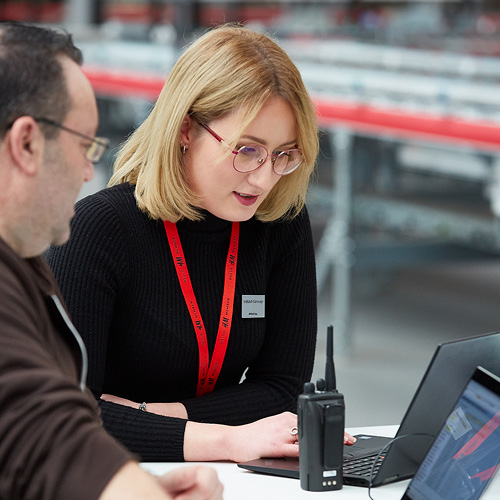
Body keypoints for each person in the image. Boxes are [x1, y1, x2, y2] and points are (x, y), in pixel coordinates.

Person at [47, 23, 355, 463]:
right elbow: (65, 420)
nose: (265, 177)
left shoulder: (279, 220)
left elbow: (285, 391)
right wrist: (229, 438)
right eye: (246, 150)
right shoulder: (98, 230)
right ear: (186, 130)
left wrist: (149, 415)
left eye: (285, 153)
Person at [0, 21, 222, 500]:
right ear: (26, 143)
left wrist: (141, 484)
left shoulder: (23, 260)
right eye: (84, 147)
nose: (87, 173)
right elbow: (46, 432)